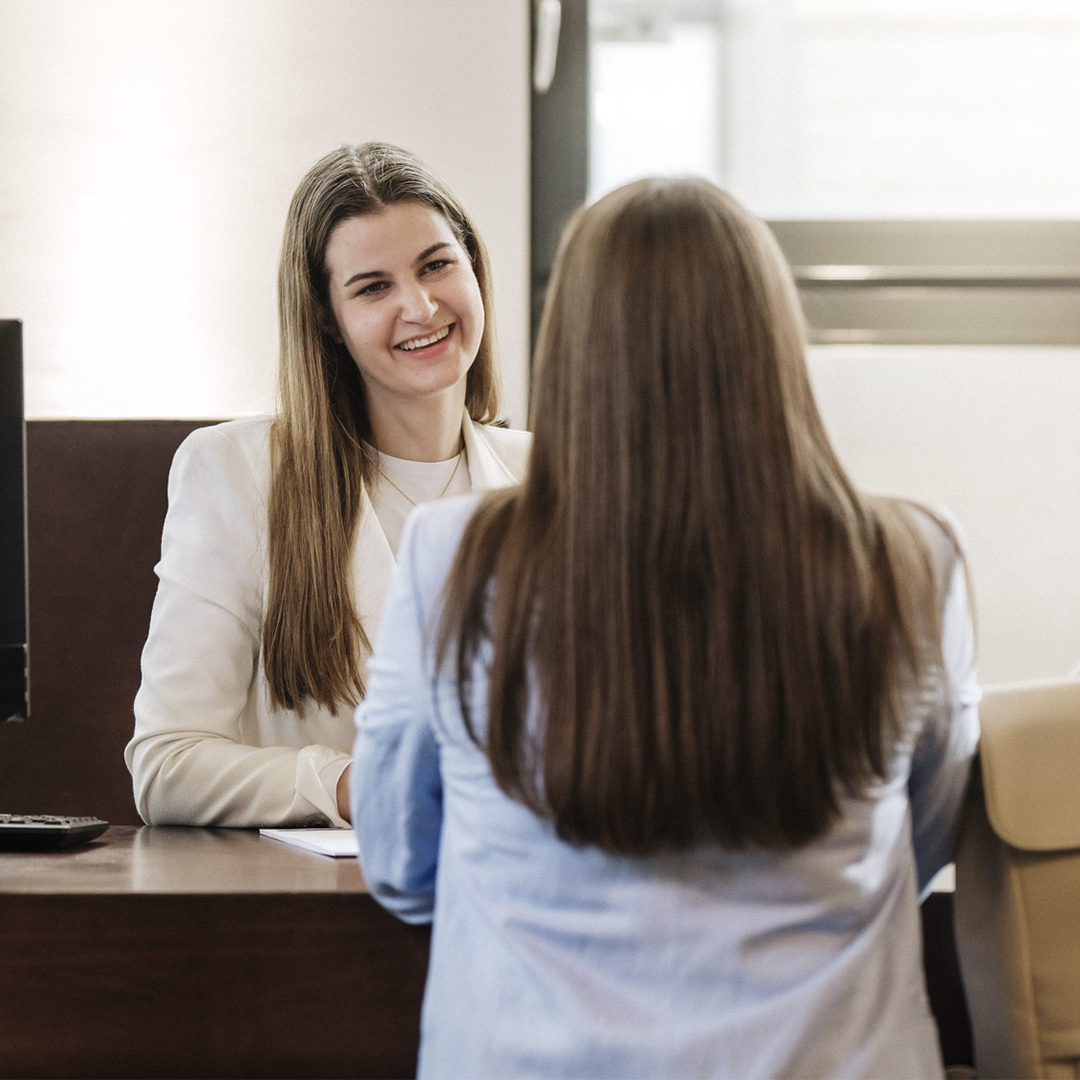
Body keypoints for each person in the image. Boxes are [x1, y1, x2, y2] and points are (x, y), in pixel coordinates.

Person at [351, 177, 981, 1078]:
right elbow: (923, 835)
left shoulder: (452, 556)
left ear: (573, 352)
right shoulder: (915, 557)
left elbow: (402, 862)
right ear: (773, 341)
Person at [126, 142, 531, 828]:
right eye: (374, 287)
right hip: (319, 914)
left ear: (473, 267)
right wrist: (353, 784)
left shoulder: (551, 478)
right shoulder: (237, 472)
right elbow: (167, 764)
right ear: (325, 317)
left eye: (437, 265)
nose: (422, 306)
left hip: (520, 899)